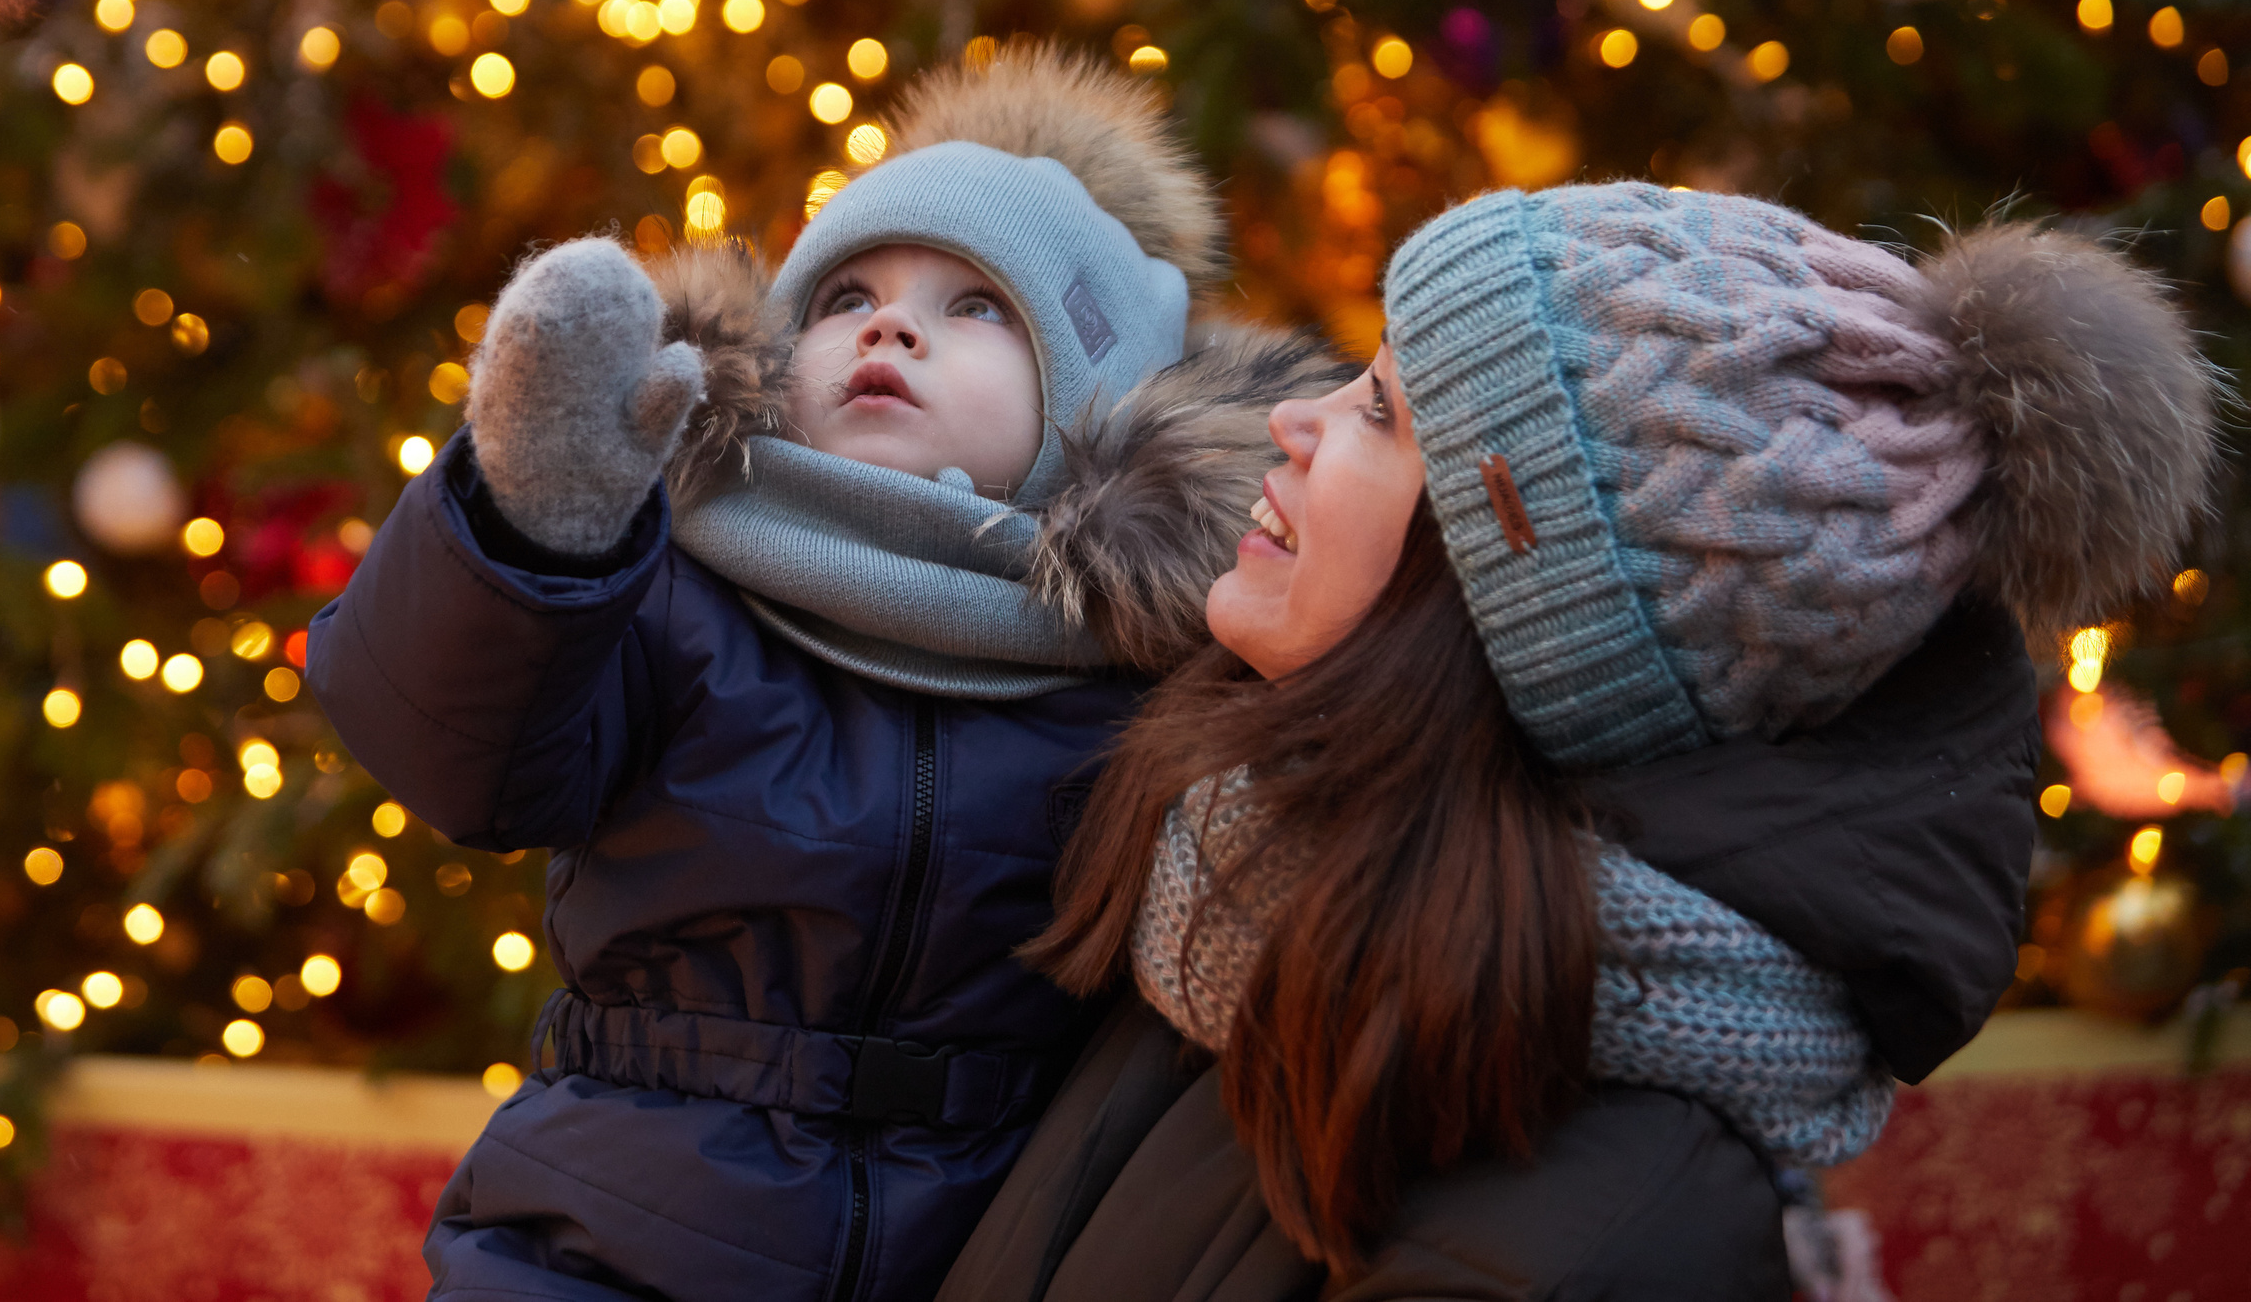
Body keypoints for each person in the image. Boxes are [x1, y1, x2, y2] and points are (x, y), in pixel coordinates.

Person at [937, 182, 2221, 1301]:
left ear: (1517, 606)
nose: (1295, 422)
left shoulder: (1600, 1225)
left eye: (1384, 412)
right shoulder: (1240, 895)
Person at [304, 43, 1342, 1302]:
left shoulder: (1141, 662)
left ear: (1098, 409)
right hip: (616, 1232)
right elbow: (460, 748)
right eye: (847, 295)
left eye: (978, 309)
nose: (891, 323)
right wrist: (540, 526)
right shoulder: (688, 586)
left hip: (981, 1241)